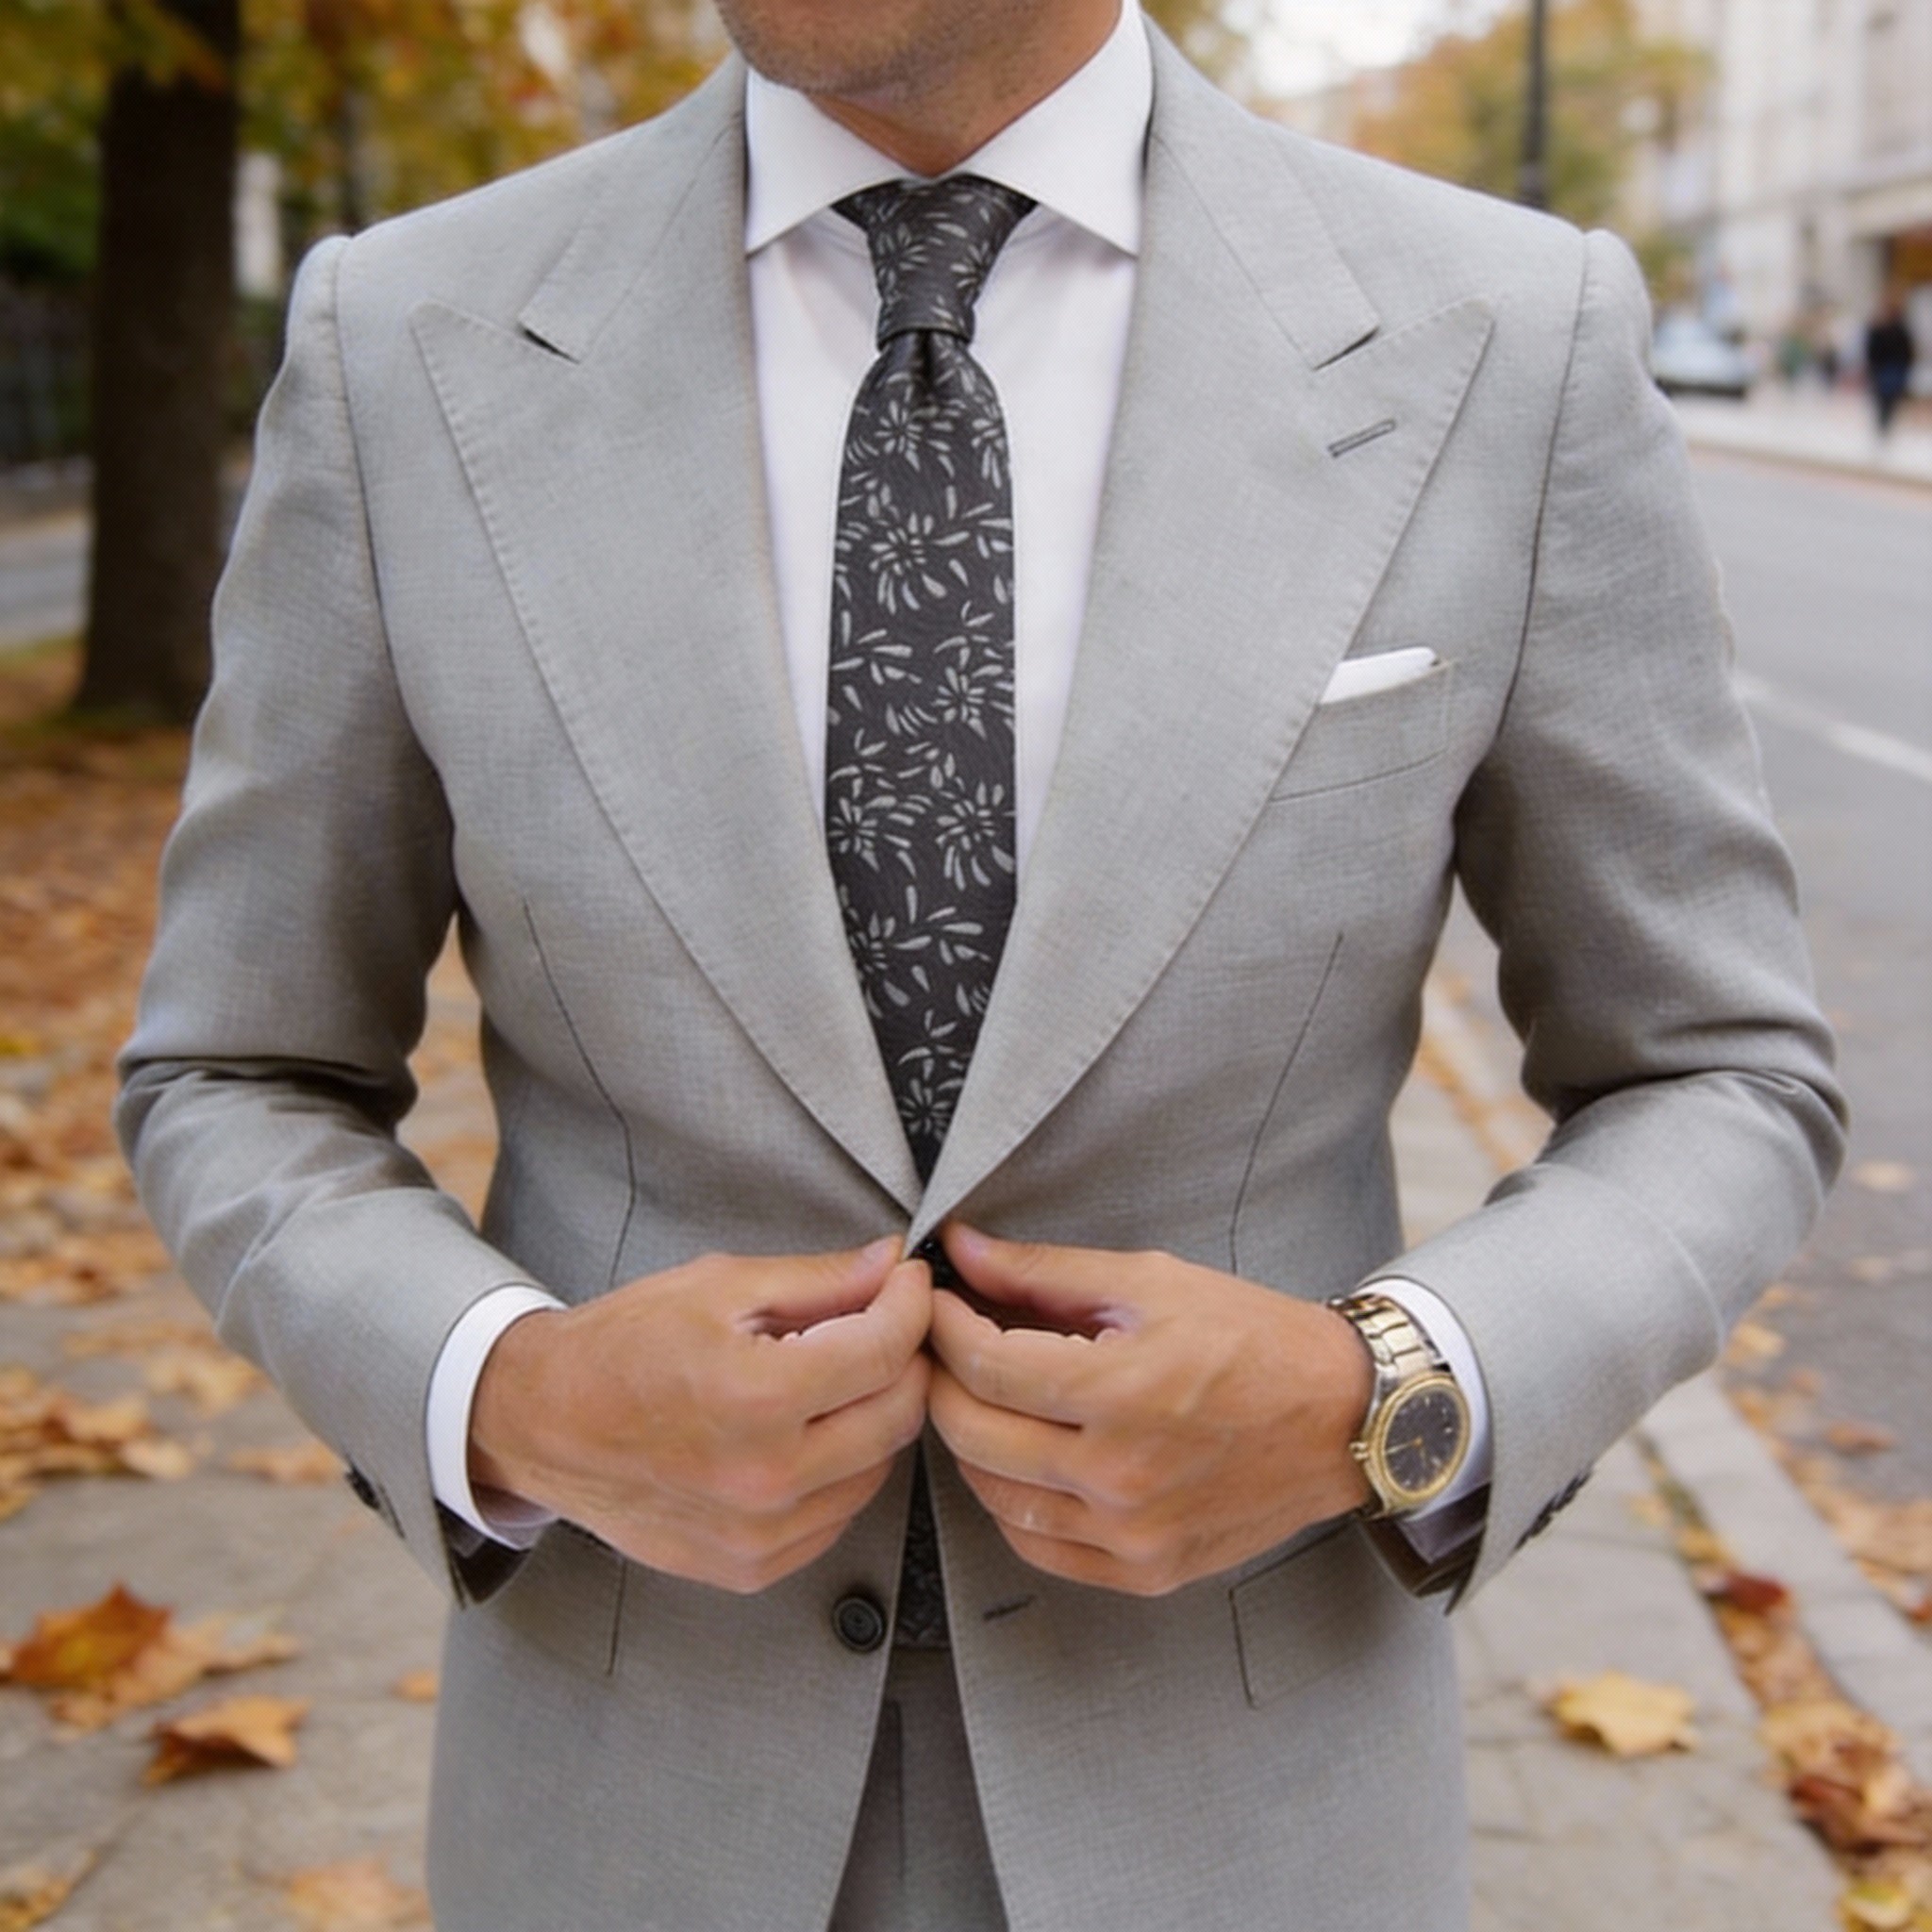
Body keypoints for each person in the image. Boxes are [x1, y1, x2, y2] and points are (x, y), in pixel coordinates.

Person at [118, 2, 1844, 1927]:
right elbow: (237, 1064)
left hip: (1246, 1806)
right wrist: (502, 1393)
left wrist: (1385, 1396)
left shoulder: (1505, 338)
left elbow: (1716, 1069)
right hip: (628, 1807)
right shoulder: (404, 342)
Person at [1866, 288, 1918, 436]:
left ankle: (1884, 426)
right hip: (1885, 369)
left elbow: (1907, 350)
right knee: (1884, 399)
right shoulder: (1881, 328)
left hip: (1891, 369)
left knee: (1888, 399)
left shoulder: (1899, 328)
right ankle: (1883, 426)